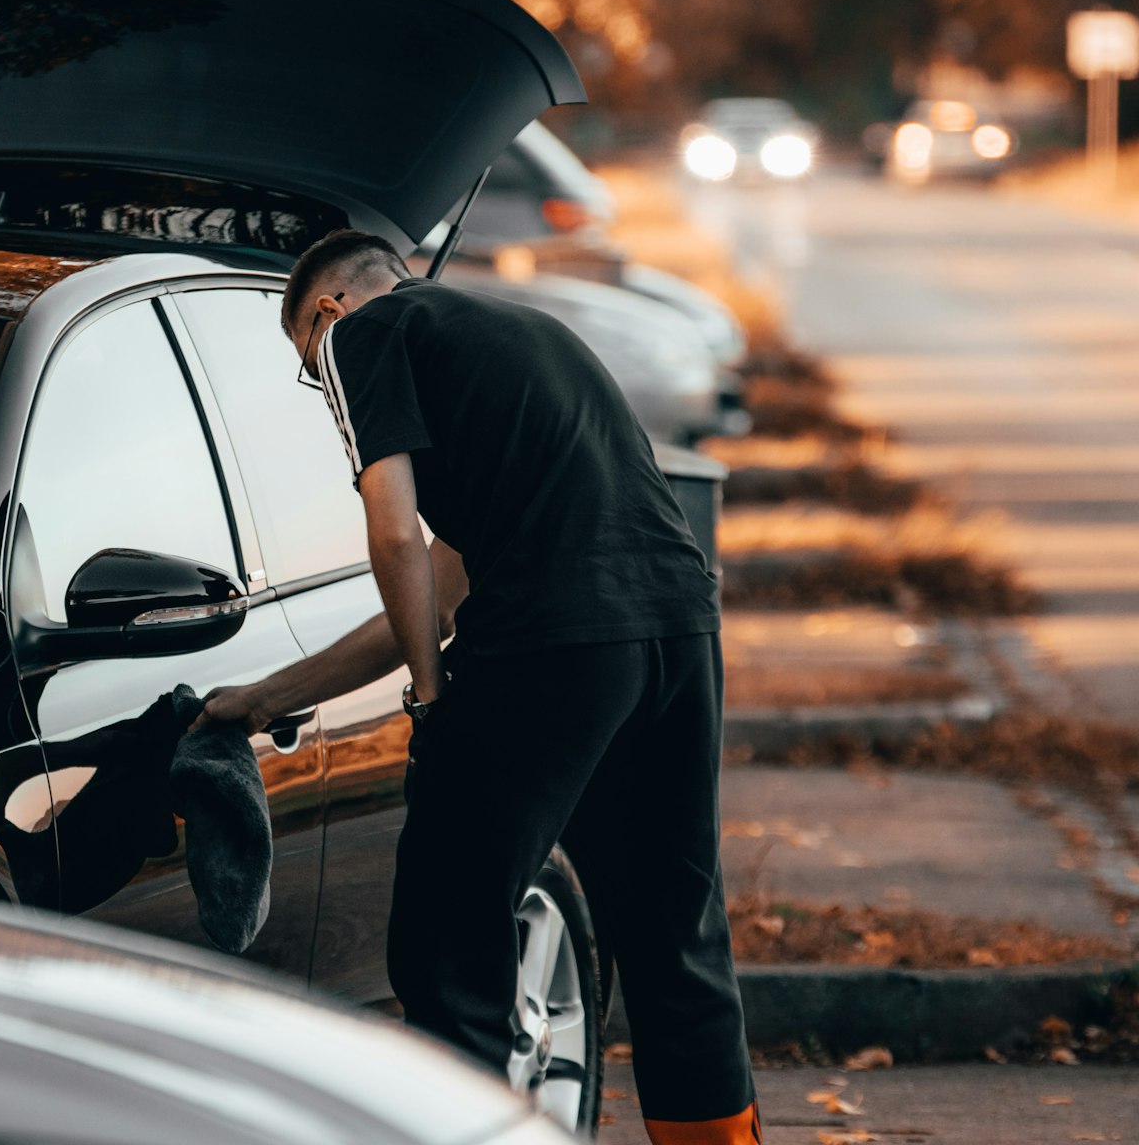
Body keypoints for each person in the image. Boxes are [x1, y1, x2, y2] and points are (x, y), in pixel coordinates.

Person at [194, 229, 759, 1144]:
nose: (321, 377)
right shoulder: (520, 339)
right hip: (677, 632)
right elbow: (444, 590)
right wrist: (271, 694)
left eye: (307, 355)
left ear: (329, 311)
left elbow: (393, 533)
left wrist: (429, 695)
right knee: (673, 934)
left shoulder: (362, 335)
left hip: (552, 640)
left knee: (450, 936)